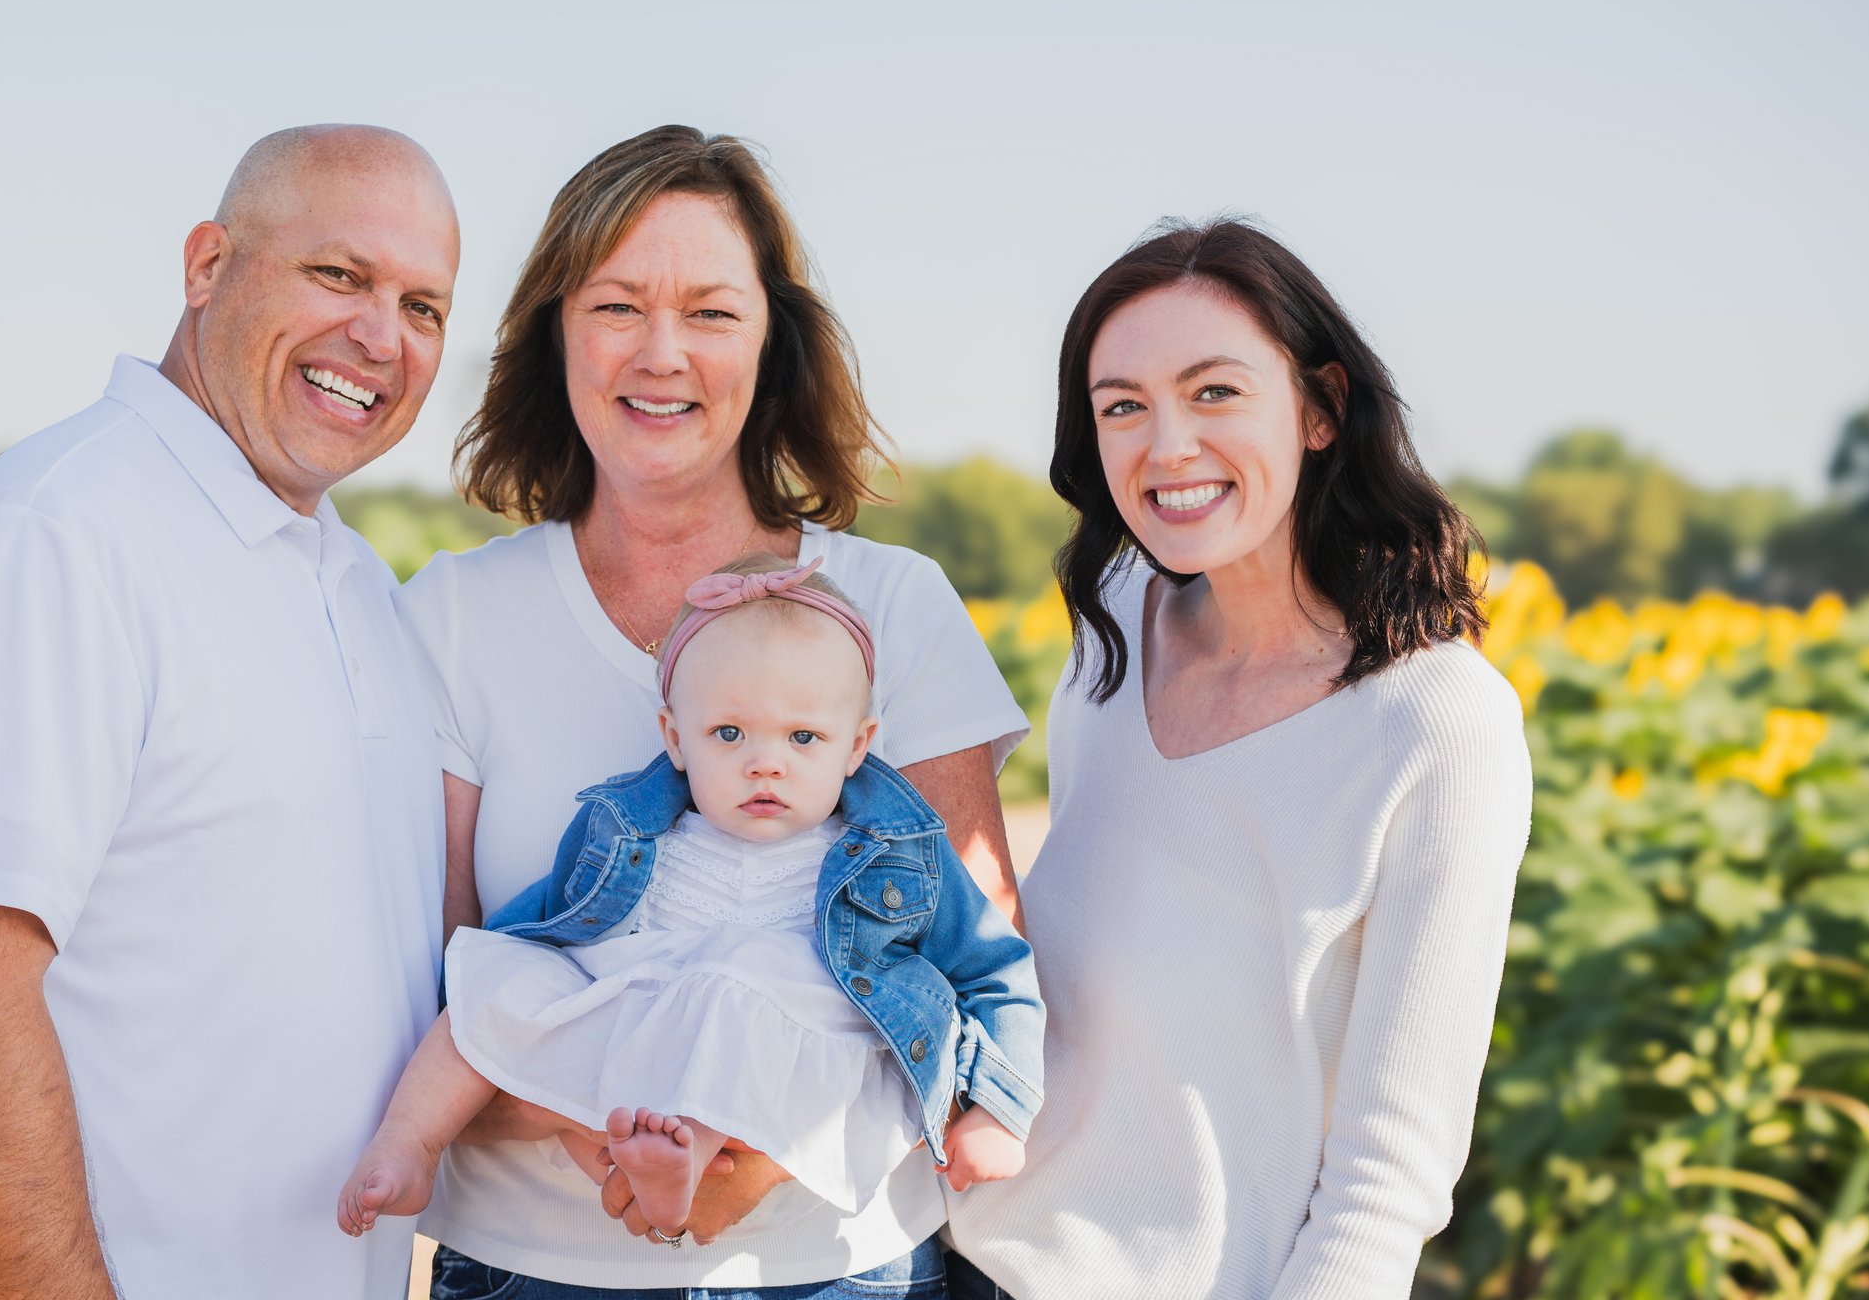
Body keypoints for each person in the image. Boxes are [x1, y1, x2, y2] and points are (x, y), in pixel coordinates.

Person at [402, 125, 1034, 1297]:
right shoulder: (451, 616)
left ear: (771, 342)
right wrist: (601, 1124)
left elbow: (962, 977)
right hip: (533, 1273)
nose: (661, 352)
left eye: (709, 310)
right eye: (616, 305)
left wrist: (759, 1153)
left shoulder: (894, 605)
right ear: (554, 332)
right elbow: (433, 984)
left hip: (839, 1270)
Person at [0, 125, 462, 1300]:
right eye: (337, 275)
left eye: (424, 306)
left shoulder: (358, 587)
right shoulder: (65, 532)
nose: (379, 336)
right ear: (205, 266)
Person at [946, 219, 1534, 1298]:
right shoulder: (1116, 623)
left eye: (1213, 391)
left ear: (1320, 407)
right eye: (1121, 404)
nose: (1163, 444)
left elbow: (1388, 1175)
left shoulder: (1436, 725)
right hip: (958, 1251)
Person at [339, 555, 1042, 1242]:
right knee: (494, 976)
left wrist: (998, 1110)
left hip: (785, 1034)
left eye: (804, 737)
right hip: (639, 1019)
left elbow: (993, 965)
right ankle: (410, 1142)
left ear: (856, 747)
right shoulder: (626, 830)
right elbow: (541, 924)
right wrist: (500, 985)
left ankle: (687, 1158)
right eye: (728, 733)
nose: (765, 761)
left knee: (739, 979)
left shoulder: (896, 855)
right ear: (676, 738)